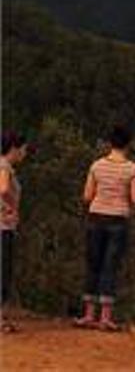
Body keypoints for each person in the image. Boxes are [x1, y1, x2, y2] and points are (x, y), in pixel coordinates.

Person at [77, 125, 135, 330]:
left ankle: (88, 314)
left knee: (93, 263)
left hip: (96, 216)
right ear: (128, 144)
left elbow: (87, 195)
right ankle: (105, 318)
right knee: (110, 266)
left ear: (110, 143)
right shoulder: (132, 169)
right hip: (118, 219)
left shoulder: (97, 165)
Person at [0, 131, 30, 333]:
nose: (24, 153)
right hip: (3, 226)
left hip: (5, 225)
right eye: (23, 149)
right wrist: (12, 207)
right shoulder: (4, 166)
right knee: (3, 271)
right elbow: (3, 189)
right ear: (14, 148)